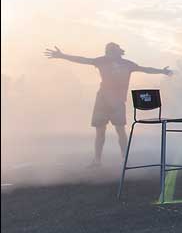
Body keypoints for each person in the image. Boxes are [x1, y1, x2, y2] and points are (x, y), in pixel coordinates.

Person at [44, 42, 172, 166]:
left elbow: (146, 69)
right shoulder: (102, 61)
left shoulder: (126, 64)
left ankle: (124, 158)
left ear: (117, 53)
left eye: (110, 52)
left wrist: (162, 71)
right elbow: (82, 59)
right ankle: (97, 160)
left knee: (120, 130)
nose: (108, 54)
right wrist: (62, 56)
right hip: (103, 100)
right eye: (108, 52)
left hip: (117, 101)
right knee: (100, 131)